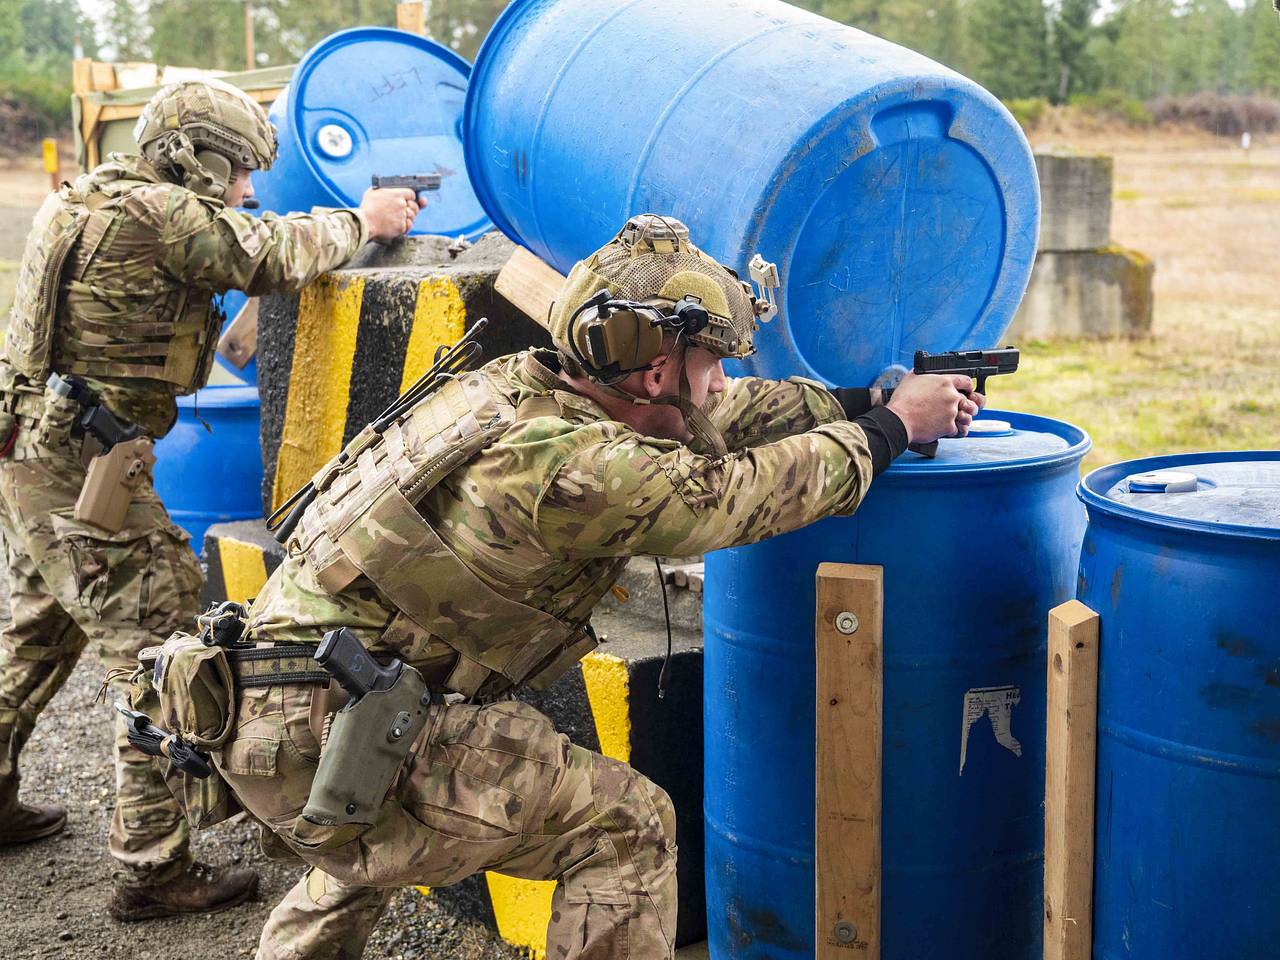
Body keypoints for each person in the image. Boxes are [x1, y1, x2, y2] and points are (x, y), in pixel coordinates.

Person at [209, 213, 982, 959]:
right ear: (655, 370)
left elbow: (721, 415)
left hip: (295, 712)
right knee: (627, 827)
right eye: (714, 361)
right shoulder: (577, 471)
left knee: (372, 803)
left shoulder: (522, 388)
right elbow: (737, 496)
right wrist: (889, 435)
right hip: (321, 730)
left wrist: (869, 402)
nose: (722, 383)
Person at [0, 77, 420, 920]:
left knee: (39, 632)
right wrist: (364, 222)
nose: (248, 190)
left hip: (39, 454)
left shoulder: (90, 197)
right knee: (158, 660)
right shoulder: (161, 218)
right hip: (88, 467)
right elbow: (264, 253)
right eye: (238, 174)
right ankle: (152, 871)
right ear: (196, 159)